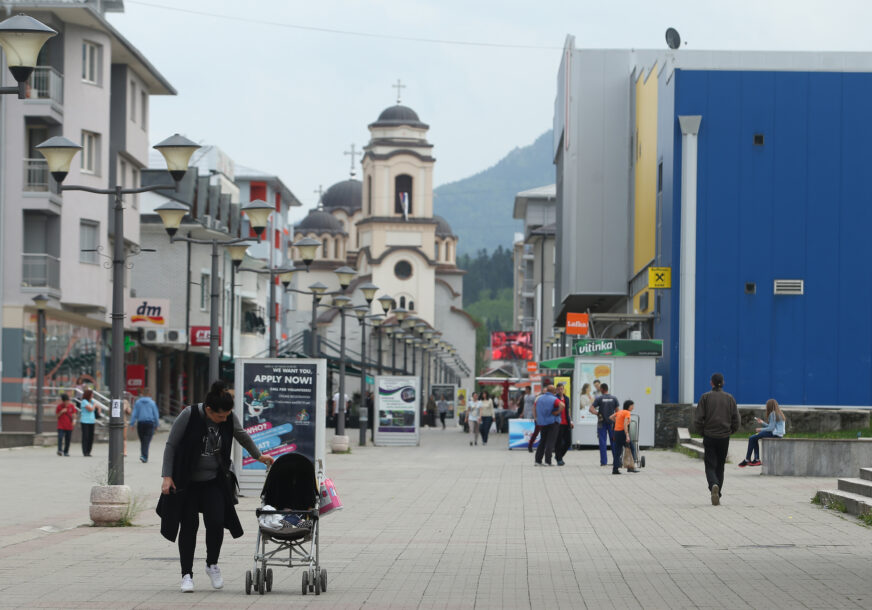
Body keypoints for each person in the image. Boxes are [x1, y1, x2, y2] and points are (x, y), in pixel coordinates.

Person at [158, 380, 275, 593]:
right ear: (209, 410)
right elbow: (171, 445)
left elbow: (241, 435)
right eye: (220, 416)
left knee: (216, 521)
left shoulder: (228, 416)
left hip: (214, 479)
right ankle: (186, 575)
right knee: (189, 526)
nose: (224, 419)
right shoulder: (190, 415)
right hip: (187, 482)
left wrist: (258, 456)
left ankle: (212, 564)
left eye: (227, 416)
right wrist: (167, 476)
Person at [693, 372, 740, 506]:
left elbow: (697, 419)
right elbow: (736, 419)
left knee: (710, 465)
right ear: (723, 383)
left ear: (711, 383)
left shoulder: (705, 397)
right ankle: (718, 493)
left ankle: (713, 484)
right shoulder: (729, 398)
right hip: (724, 437)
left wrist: (702, 432)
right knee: (720, 465)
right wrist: (731, 430)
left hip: (709, 436)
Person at [739, 398, 786, 467]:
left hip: (774, 434)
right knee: (754, 438)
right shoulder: (779, 413)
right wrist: (762, 422)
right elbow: (772, 427)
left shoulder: (772, 414)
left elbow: (771, 428)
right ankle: (756, 459)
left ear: (769, 406)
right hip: (778, 434)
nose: (766, 407)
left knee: (752, 438)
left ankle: (748, 459)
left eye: (767, 405)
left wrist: (760, 429)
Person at [590, 383, 619, 467]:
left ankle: (603, 462)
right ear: (607, 389)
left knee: (602, 442)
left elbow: (591, 409)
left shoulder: (599, 398)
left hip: (601, 423)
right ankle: (616, 461)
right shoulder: (614, 398)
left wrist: (597, 413)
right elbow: (618, 412)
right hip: (612, 423)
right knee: (614, 442)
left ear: (602, 389)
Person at [130, 388, 161, 463]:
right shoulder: (152, 403)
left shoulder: (138, 402)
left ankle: (143, 455)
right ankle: (144, 456)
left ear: (142, 394)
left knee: (143, 440)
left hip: (140, 424)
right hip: (150, 423)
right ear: (149, 394)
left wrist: (132, 423)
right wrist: (157, 424)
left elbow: (134, 413)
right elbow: (156, 414)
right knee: (146, 440)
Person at [534, 385, 563, 466]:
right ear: (554, 391)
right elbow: (562, 405)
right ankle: (548, 461)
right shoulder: (554, 399)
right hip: (552, 423)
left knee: (542, 441)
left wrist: (536, 418)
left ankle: (538, 460)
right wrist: (557, 412)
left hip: (542, 423)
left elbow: (535, 407)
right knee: (550, 442)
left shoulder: (539, 398)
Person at [609, 400, 639, 474]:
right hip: (622, 432)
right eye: (632, 405)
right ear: (629, 406)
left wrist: (617, 422)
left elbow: (611, 417)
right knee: (631, 448)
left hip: (616, 433)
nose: (633, 407)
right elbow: (625, 424)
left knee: (617, 452)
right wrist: (627, 435)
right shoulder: (627, 413)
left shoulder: (620, 412)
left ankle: (615, 469)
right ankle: (630, 467)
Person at [554, 383, 574, 466]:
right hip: (558, 423)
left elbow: (567, 410)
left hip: (566, 422)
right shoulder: (555, 398)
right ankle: (559, 459)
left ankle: (559, 456)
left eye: (561, 389)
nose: (560, 390)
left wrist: (571, 421)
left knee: (568, 442)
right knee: (558, 442)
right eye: (558, 389)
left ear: (563, 389)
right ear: (556, 390)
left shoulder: (566, 398)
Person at [79, 388, 99, 457]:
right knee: (86, 436)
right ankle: (85, 452)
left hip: (91, 421)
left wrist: (98, 408)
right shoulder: (84, 401)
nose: (92, 395)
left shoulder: (92, 401)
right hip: (85, 421)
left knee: (91, 437)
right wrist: (94, 405)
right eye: (91, 394)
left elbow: (97, 407)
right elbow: (90, 409)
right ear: (88, 395)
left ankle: (89, 451)